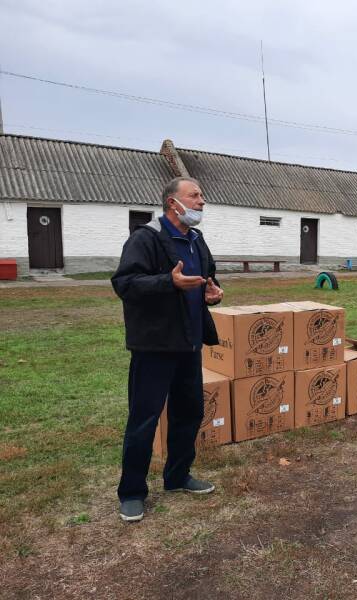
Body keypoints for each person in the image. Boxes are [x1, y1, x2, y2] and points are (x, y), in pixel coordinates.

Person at [111, 177, 224, 522]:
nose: (202, 201)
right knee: (144, 419)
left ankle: (177, 476)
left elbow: (209, 278)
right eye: (195, 195)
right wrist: (168, 282)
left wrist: (213, 293)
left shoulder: (196, 240)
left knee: (188, 412)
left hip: (189, 344)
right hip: (155, 347)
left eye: (201, 195)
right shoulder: (146, 239)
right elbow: (125, 284)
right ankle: (132, 492)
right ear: (173, 203)